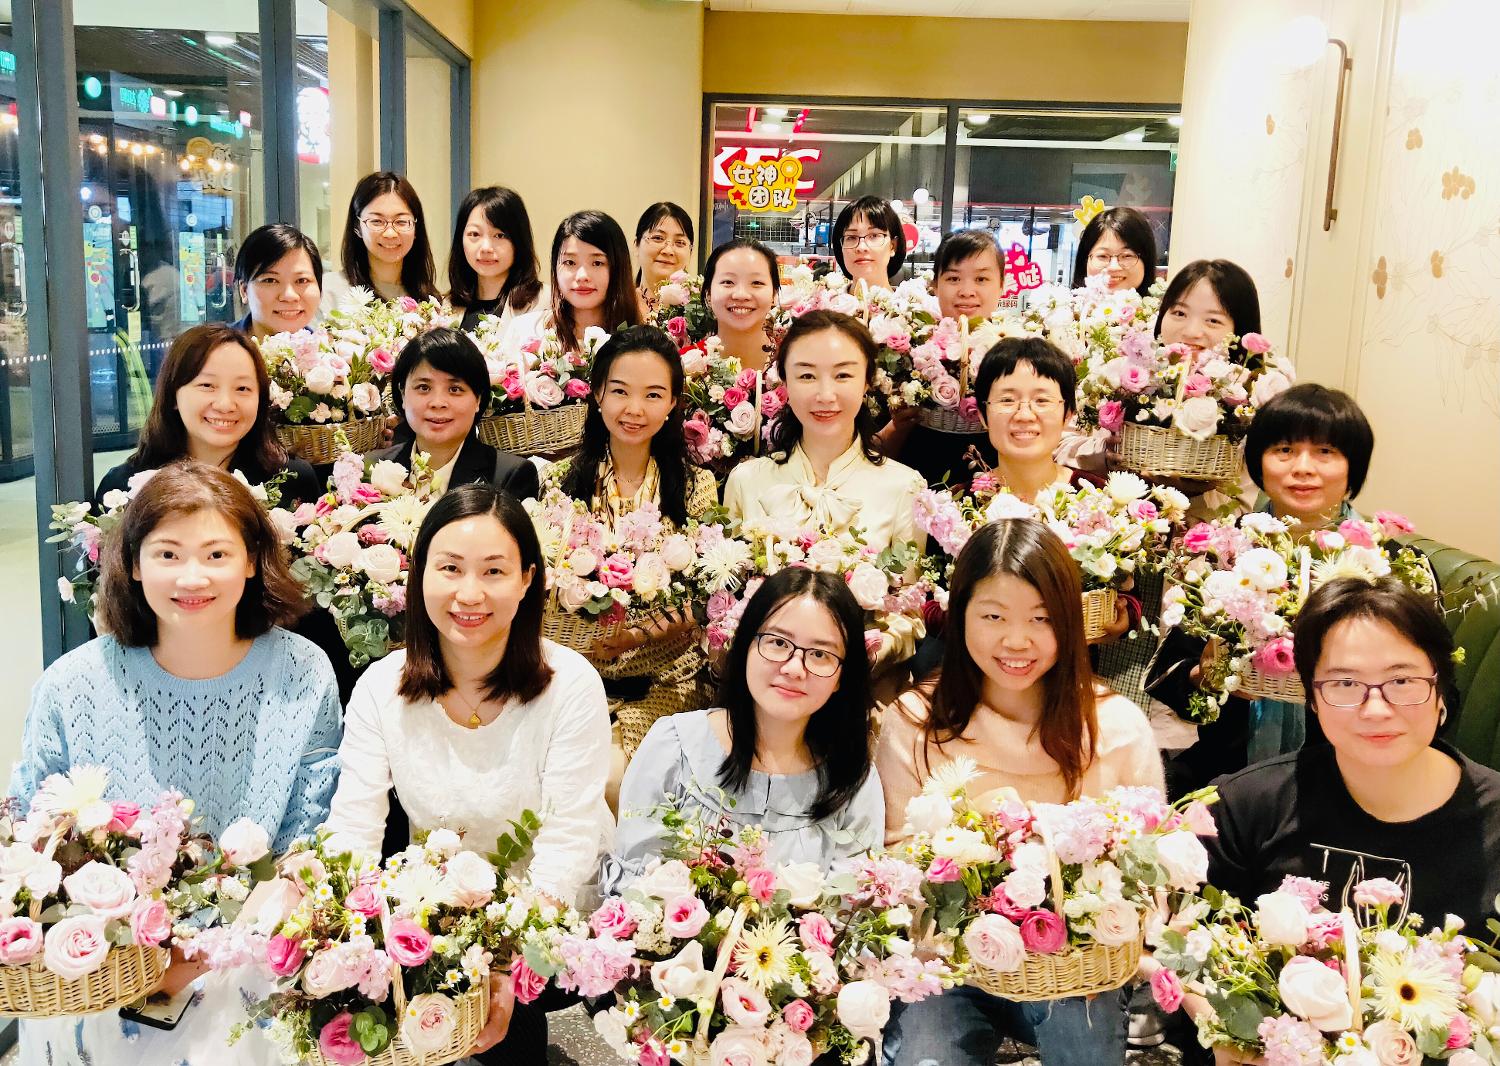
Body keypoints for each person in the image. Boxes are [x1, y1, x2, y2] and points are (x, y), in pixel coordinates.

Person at [11, 461, 342, 1066]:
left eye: (217, 554)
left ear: (251, 560)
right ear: (134, 564)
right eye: (168, 554)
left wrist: (216, 950)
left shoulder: (302, 672)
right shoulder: (72, 684)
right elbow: (32, 841)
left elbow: (310, 836)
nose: (193, 576)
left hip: (254, 966)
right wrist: (134, 957)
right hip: (101, 972)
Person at [1141, 576, 1500, 1066]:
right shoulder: (1246, 805)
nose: (1376, 708)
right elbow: (1164, 935)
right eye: (1345, 684)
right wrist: (1218, 1026)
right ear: (1311, 697)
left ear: (1441, 692)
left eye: (1403, 681)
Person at [323, 483, 612, 1061]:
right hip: (440, 913)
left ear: (528, 580)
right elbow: (354, 825)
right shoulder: (382, 687)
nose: (469, 593)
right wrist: (337, 932)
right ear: (419, 575)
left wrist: (506, 962)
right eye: (450, 568)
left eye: (494, 571)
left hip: (554, 914)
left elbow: (568, 844)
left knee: (511, 1035)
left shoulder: (570, 684)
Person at [878, 518, 1162, 1066]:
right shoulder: (916, 721)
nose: (1016, 641)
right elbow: (896, 855)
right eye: (993, 616)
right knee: (929, 1052)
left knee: (1081, 1035)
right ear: (960, 615)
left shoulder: (1116, 726)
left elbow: (1150, 865)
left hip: (1074, 969)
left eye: (1041, 618)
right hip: (951, 966)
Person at [1147, 383, 1378, 793]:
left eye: (1325, 451)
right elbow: (1170, 676)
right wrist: (1208, 676)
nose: (1302, 467)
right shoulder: (1223, 550)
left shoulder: (1384, 562)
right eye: (1284, 450)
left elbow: (1435, 692)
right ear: (1258, 462)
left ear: (1352, 467)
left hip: (1351, 772)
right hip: (1227, 771)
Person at [602, 568, 883, 894]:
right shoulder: (674, 747)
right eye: (778, 642)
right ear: (746, 644)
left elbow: (853, 909)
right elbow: (633, 891)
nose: (794, 668)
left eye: (820, 654)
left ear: (842, 677)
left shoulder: (852, 779)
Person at [544, 326, 718, 789]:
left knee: (616, 781)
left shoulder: (697, 488)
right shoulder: (559, 482)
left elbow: (705, 596)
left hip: (663, 678)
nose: (634, 409)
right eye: (620, 391)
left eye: (653, 394)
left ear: (674, 403)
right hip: (572, 673)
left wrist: (638, 634)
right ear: (597, 393)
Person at [724, 310, 925, 661]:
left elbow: (909, 614)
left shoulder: (904, 486)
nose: (825, 394)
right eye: (806, 375)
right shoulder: (747, 480)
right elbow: (725, 599)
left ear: (867, 381)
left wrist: (859, 657)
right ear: (785, 383)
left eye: (843, 375)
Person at [94, 323, 321, 508]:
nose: (225, 404)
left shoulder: (293, 479)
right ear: (173, 395)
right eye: (207, 385)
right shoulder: (122, 488)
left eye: (242, 388)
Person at [876, 229, 1006, 486]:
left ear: (1002, 285)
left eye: (981, 279)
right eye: (954, 278)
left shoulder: (1016, 354)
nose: (967, 291)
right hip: (916, 472)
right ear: (935, 285)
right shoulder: (910, 349)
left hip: (994, 474)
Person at [367, 326, 539, 500]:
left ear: (478, 399)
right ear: (403, 394)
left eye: (455, 389)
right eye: (424, 387)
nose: (438, 403)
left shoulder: (509, 476)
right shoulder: (371, 467)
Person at [507, 210, 644, 357]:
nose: (582, 276)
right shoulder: (525, 331)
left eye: (597, 263)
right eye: (570, 262)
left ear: (618, 269)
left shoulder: (641, 343)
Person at [321, 171, 439, 311]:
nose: (390, 233)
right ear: (357, 227)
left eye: (401, 222)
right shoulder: (329, 292)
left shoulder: (429, 301)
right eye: (377, 221)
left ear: (416, 228)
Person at [446, 185, 544, 332]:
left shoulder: (544, 304)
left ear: (519, 241)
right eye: (475, 234)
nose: (486, 248)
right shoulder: (446, 307)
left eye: (499, 235)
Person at [232, 223, 322, 339]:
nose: (289, 296)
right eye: (270, 280)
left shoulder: (332, 348)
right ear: (244, 290)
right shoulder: (216, 348)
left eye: (302, 280)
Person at [703, 237, 780, 371]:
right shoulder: (683, 364)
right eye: (728, 282)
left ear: (774, 295)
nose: (741, 295)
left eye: (756, 283)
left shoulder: (793, 362)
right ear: (708, 293)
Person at [1070, 206, 1158, 297]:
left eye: (1127, 256)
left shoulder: (1162, 306)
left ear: (1146, 261)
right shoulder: (1066, 305)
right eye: (1102, 256)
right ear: (1084, 261)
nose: (1114, 267)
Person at [831, 195, 906, 294]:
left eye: (874, 236)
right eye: (851, 237)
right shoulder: (822, 302)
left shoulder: (915, 303)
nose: (861, 247)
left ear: (893, 246)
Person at [634, 201, 695, 312]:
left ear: (691, 251)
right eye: (658, 238)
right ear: (636, 245)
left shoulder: (701, 311)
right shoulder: (617, 306)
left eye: (680, 242)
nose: (668, 250)